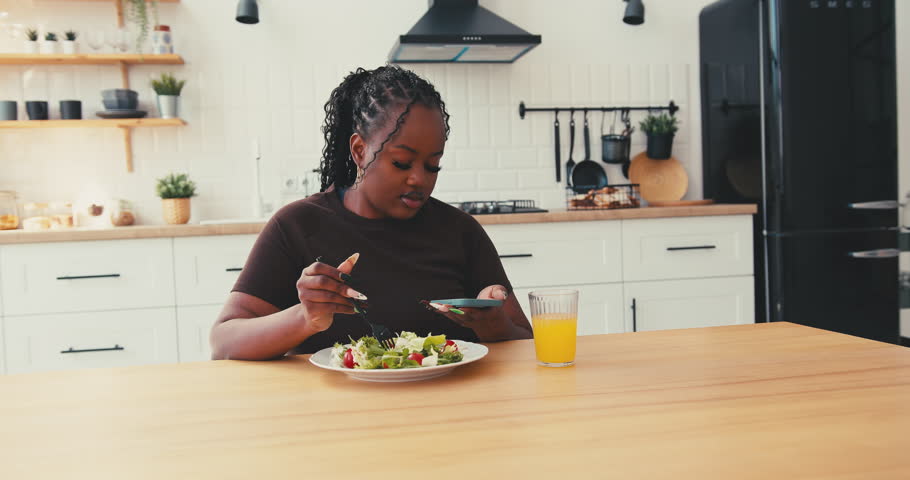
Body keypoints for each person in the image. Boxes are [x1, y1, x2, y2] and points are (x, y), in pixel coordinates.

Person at [210, 65, 532, 361]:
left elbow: (523, 340)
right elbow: (224, 343)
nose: (419, 178)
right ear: (360, 151)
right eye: (401, 163)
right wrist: (305, 317)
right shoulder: (297, 225)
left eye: (433, 165)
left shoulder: (460, 231)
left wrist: (494, 325)